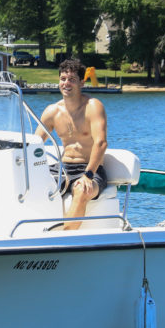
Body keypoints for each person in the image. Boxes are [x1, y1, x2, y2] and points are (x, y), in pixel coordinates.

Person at [35, 58, 108, 230]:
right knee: (31, 184)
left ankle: (65, 239)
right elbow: (34, 144)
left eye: (72, 80)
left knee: (82, 189)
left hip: (91, 169)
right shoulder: (52, 111)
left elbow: (101, 143)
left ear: (82, 82)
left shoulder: (93, 106)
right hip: (64, 167)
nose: (66, 83)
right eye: (63, 79)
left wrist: (88, 175)